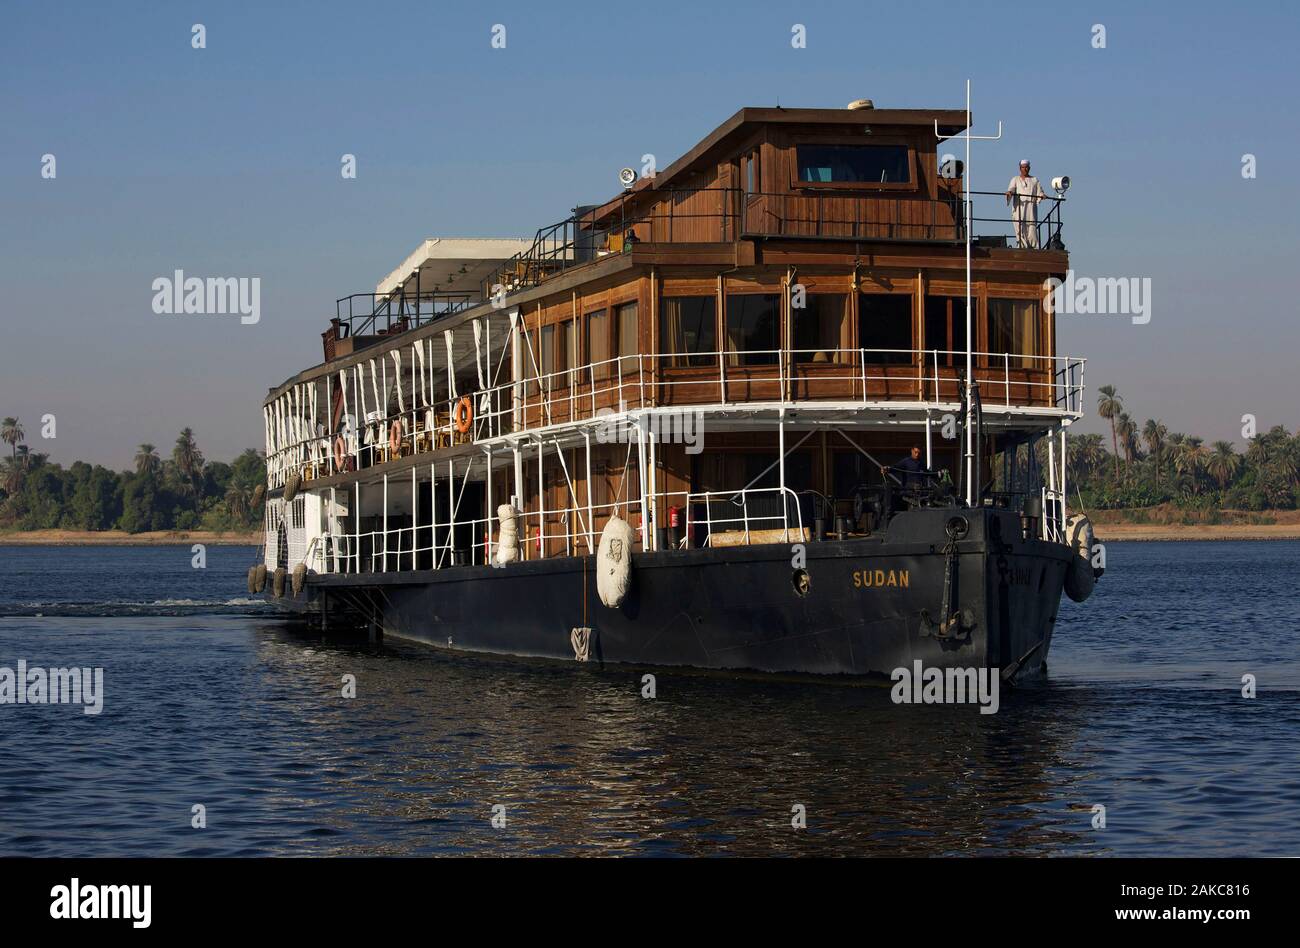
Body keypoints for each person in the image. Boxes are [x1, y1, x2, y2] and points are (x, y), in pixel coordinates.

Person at [1005, 160, 1045, 249]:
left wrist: (1042, 195)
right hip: (1019, 207)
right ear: (1020, 168)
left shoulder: (1034, 180)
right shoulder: (1015, 179)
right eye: (1023, 167)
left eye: (1026, 167)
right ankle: (1022, 245)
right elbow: (1011, 189)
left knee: (1032, 226)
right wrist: (1010, 192)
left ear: (1029, 168)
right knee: (1019, 225)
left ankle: (1033, 246)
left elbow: (1040, 191)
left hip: (1031, 207)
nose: (1025, 169)